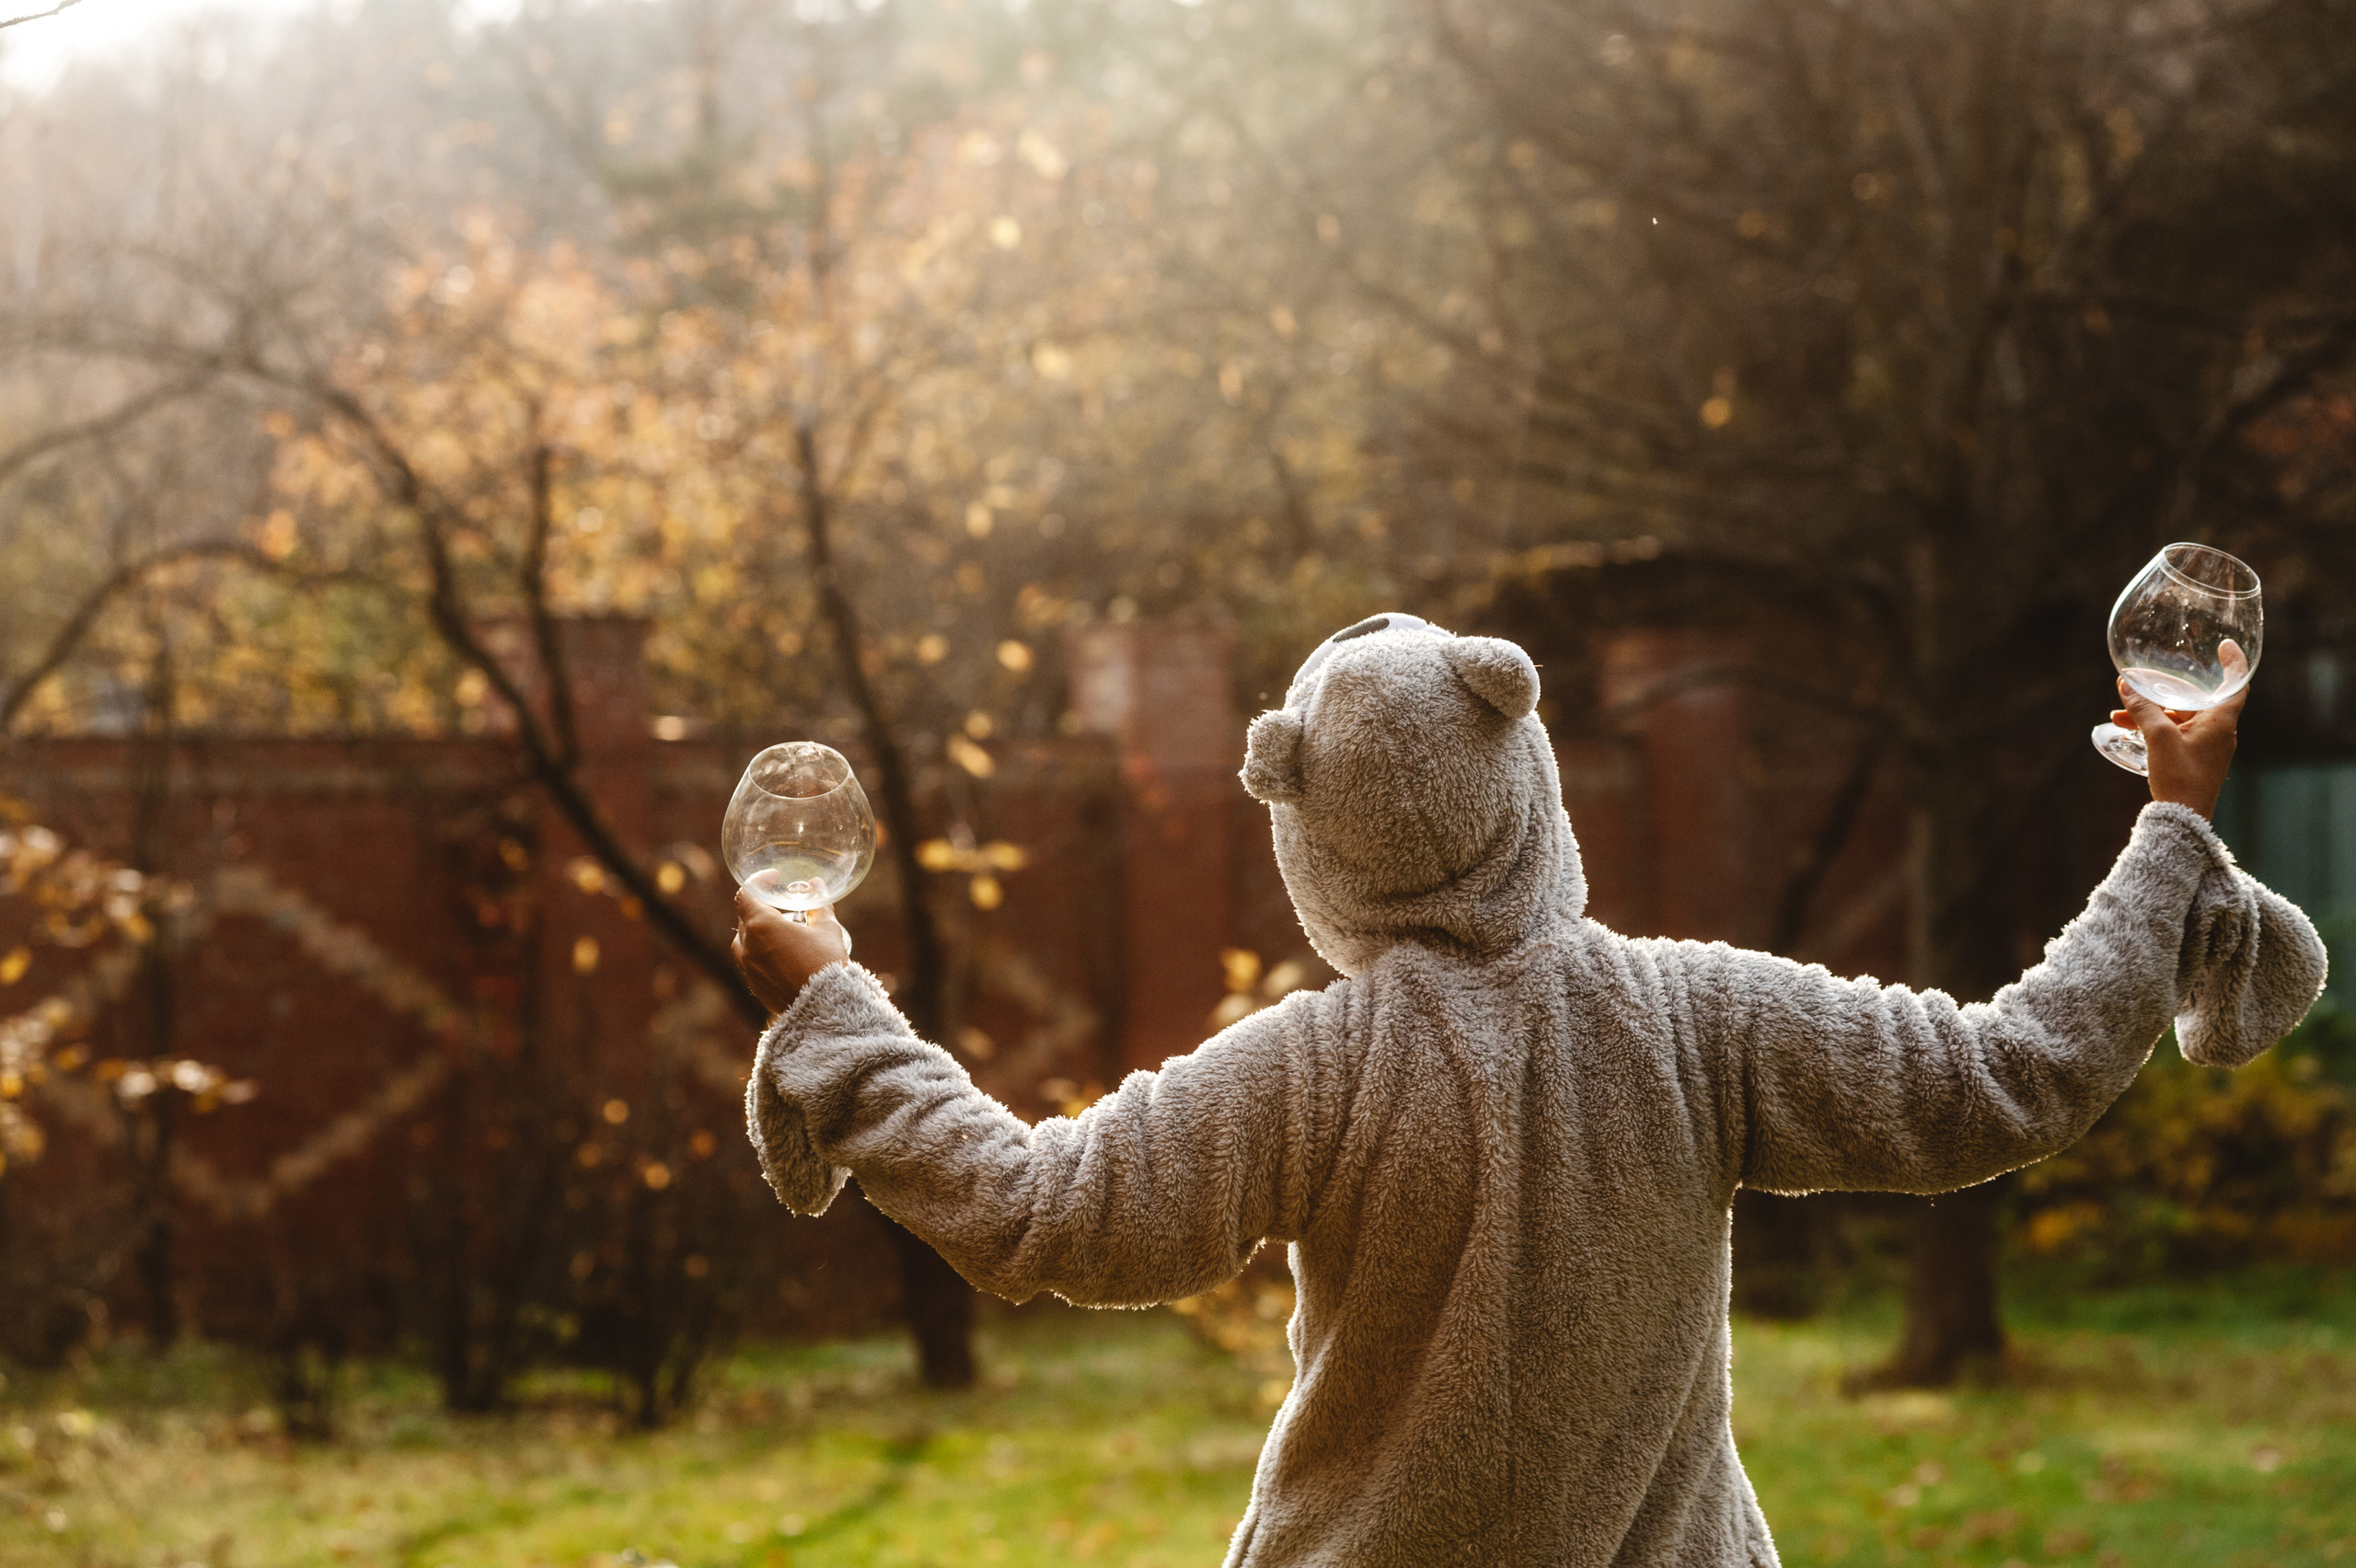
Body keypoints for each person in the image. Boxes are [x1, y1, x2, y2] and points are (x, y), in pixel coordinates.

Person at [733, 615, 2327, 1568]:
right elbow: (2008, 1078)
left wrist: (837, 1015)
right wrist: (2170, 835)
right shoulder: (1698, 1016)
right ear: (1526, 768)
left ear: (1305, 825)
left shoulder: (1312, 1067)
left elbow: (1040, 1215)